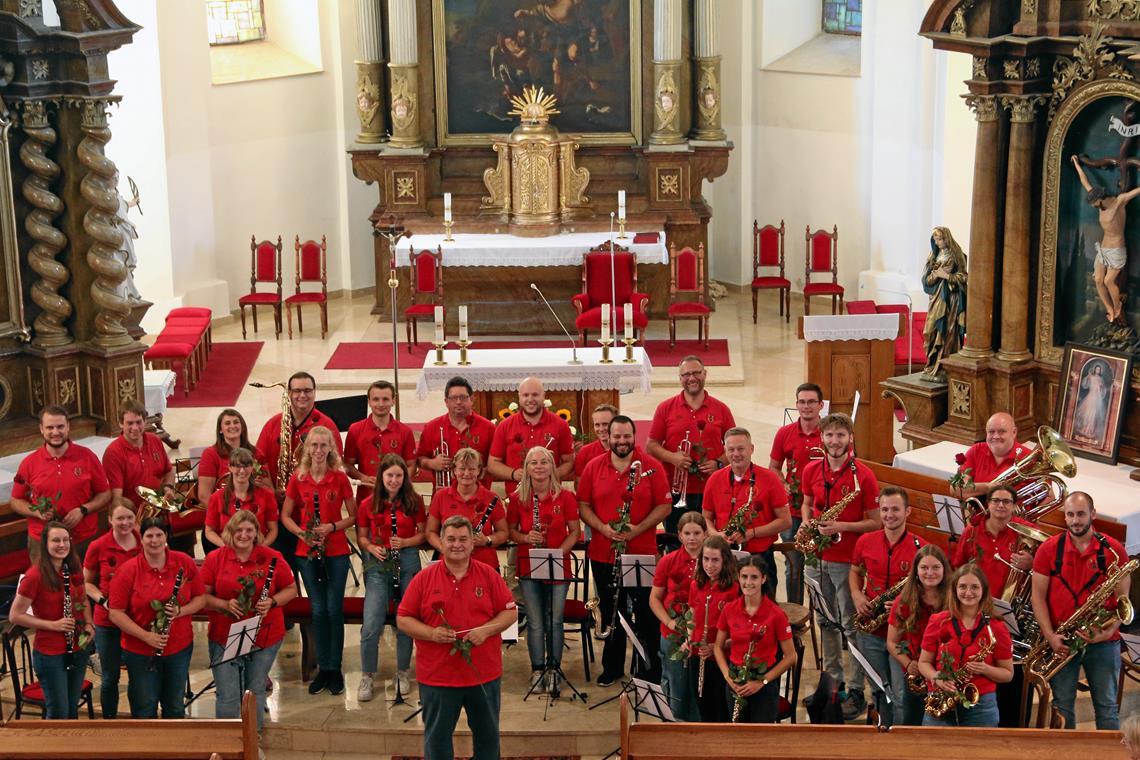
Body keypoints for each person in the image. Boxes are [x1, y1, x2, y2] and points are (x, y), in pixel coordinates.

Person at [397, 516, 518, 760]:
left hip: (483, 675)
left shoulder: (489, 575)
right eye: (450, 539)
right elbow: (403, 619)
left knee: (488, 741)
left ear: (473, 543)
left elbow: (510, 611)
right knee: (438, 742)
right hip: (438, 677)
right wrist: (431, 633)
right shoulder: (423, 579)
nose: (457, 545)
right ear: (440, 542)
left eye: (463, 539)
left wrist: (486, 630)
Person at [797, 412, 881, 720]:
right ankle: (832, 684)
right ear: (822, 438)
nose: (835, 441)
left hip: (847, 563)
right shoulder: (810, 469)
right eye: (830, 435)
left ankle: (856, 689)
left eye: (841, 435)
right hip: (815, 559)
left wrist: (841, 525)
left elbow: (876, 521)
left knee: (850, 626)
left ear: (850, 439)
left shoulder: (864, 476)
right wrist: (807, 522)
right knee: (825, 624)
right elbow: (806, 503)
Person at [578, 415, 671, 686]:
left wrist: (638, 528)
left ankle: (648, 669)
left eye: (626, 436)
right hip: (603, 553)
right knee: (610, 610)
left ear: (634, 436)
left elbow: (664, 506)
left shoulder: (651, 467)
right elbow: (583, 505)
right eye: (616, 436)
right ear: (608, 436)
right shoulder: (594, 467)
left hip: (641, 552)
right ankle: (613, 666)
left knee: (645, 612)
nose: (621, 441)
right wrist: (603, 529)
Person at [1031, 491, 1130, 730]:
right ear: (1064, 517)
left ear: (1092, 514)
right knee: (1062, 706)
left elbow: (1123, 602)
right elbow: (1038, 597)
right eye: (1071, 515)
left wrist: (1107, 633)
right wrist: (1050, 636)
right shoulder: (1048, 549)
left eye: (1081, 514)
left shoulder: (1113, 550)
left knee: (1106, 707)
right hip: (1063, 639)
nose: (1076, 520)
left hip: (1103, 641)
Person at [200, 510, 298, 732]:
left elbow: (291, 589)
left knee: (254, 691)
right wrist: (223, 604)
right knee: (227, 695)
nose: (244, 535)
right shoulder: (215, 558)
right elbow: (202, 596)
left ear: (256, 534)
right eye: (239, 530)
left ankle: (253, 742)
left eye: (249, 530)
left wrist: (272, 601)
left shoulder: (272, 557)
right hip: (224, 635)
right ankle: (227, 744)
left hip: (265, 634)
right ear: (230, 532)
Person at [279, 425, 357, 696]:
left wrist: (333, 527)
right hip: (307, 552)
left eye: (324, 446)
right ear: (307, 449)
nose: (319, 450)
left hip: (335, 551)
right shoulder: (298, 478)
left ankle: (335, 669)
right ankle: (322, 668)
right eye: (314, 445)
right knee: (318, 610)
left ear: (331, 449)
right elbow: (285, 516)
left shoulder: (339, 478)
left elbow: (354, 516)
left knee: (334, 610)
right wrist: (303, 533)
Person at [107, 516, 205, 719]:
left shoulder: (183, 562)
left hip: (178, 647)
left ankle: (173, 750)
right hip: (139, 650)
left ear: (166, 536)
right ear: (141, 539)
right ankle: (147, 750)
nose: (154, 540)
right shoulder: (128, 570)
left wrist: (180, 611)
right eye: (149, 535)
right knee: (144, 706)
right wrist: (146, 636)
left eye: (159, 535)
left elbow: (201, 598)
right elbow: (115, 613)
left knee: (175, 706)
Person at [849, 486, 925, 728]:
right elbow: (854, 571)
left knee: (901, 694)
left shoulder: (921, 548)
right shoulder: (865, 541)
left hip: (902, 634)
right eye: (884, 509)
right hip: (871, 630)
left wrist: (907, 603)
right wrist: (856, 596)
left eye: (895, 509)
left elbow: (933, 589)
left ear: (908, 511)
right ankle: (882, 733)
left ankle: (901, 742)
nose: (889, 514)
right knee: (880, 690)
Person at [507, 446, 580, 693]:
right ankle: (537, 668)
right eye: (533, 462)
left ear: (552, 467)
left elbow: (575, 532)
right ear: (526, 468)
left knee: (555, 620)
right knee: (536, 622)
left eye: (544, 462)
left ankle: (554, 669)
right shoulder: (518, 498)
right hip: (529, 566)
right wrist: (527, 538)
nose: (539, 467)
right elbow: (511, 532)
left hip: (558, 565)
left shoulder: (566, 497)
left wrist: (559, 553)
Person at [256, 371, 343, 576]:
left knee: (318, 574)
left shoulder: (326, 426)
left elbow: (335, 468)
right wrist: (271, 489)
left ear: (315, 393)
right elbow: (259, 464)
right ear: (289, 393)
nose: (302, 395)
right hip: (278, 511)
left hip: (313, 512)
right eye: (296, 391)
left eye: (307, 390)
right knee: (279, 569)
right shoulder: (273, 424)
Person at [355, 454, 425, 702]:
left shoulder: (414, 500)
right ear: (381, 477)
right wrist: (371, 548)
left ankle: (403, 672)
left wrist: (405, 541)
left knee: (405, 619)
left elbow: (424, 534)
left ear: (404, 477)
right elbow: (362, 537)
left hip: (406, 560)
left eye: (398, 475)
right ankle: (367, 674)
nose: (394, 480)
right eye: (389, 476)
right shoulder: (367, 504)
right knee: (371, 621)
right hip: (378, 562)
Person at [8, 522, 94, 718]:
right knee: (59, 712)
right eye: (56, 540)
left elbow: (82, 598)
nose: (62, 544)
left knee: (72, 709)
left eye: (65, 540)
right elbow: (15, 615)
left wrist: (89, 624)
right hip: (50, 653)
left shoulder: (72, 566)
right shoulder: (34, 576)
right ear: (45, 544)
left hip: (78, 648)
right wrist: (53, 625)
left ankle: (70, 748)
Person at [10, 405, 111, 560]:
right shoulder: (29, 463)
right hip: (43, 540)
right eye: (50, 427)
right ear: (41, 429)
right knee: (45, 584)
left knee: (84, 583)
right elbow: (16, 501)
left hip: (82, 537)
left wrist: (83, 510)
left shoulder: (87, 457)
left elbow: (105, 493)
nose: (55, 432)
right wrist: (36, 512)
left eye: (60, 426)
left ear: (68, 427)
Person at [918, 563, 1014, 727]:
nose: (968, 592)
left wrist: (986, 669)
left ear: (983, 590)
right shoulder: (938, 621)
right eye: (962, 586)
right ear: (954, 589)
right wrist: (937, 678)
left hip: (981, 705)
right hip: (940, 698)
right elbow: (923, 663)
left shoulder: (996, 626)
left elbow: (1008, 674)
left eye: (975, 587)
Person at [647, 356, 735, 534]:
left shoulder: (721, 409)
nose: (691, 378)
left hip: (712, 487)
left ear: (705, 374)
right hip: (675, 488)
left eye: (696, 373)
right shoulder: (665, 408)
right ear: (680, 379)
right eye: (686, 374)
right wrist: (672, 458)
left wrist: (718, 463)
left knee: (712, 538)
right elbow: (651, 445)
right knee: (675, 539)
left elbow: (734, 448)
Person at [702, 427, 791, 600]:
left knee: (764, 611)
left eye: (741, 448)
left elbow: (785, 521)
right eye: (731, 449)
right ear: (725, 451)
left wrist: (751, 533)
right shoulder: (715, 479)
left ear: (751, 449)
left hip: (760, 557)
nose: (736, 454)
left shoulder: (770, 479)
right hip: (725, 557)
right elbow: (706, 517)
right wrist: (716, 535)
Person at [713, 555, 796, 724]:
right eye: (744, 577)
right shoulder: (729, 609)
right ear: (738, 577)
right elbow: (717, 647)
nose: (748, 582)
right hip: (735, 680)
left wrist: (762, 681)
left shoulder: (777, 614)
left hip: (764, 684)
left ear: (764, 579)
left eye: (754, 577)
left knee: (761, 738)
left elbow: (791, 656)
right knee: (737, 733)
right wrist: (728, 678)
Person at [83, 499, 141, 718]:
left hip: (137, 619)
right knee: (110, 677)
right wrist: (102, 601)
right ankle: (109, 722)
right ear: (110, 520)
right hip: (107, 621)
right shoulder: (98, 546)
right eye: (119, 518)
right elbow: (86, 583)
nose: (125, 522)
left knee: (138, 675)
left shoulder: (144, 541)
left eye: (129, 517)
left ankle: (139, 721)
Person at [769, 382, 824, 605]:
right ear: (796, 405)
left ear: (821, 405)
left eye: (811, 402)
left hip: (821, 511)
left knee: (820, 570)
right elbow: (773, 467)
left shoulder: (830, 433)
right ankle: (796, 620)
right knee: (794, 568)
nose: (806, 406)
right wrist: (783, 485)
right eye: (802, 402)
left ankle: (822, 616)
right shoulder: (785, 433)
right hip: (792, 511)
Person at [649, 511, 706, 721]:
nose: (692, 538)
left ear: (705, 534)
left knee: (700, 687)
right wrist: (670, 622)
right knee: (676, 686)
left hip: (701, 634)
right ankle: (675, 727)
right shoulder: (668, 561)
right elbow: (654, 599)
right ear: (680, 536)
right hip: (673, 632)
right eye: (687, 533)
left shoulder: (710, 562)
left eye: (697, 533)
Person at [1070, 154, 1140, 322]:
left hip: (1116, 249)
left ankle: (1117, 307)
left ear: (1099, 199)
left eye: (1094, 204)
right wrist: (1077, 164)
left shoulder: (1119, 202)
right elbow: (1085, 182)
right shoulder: (1095, 197)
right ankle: (1109, 308)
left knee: (1109, 281)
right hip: (1103, 249)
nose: (1093, 207)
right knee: (1098, 279)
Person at [886, 544, 950, 726]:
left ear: (945, 570)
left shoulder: (955, 598)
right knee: (912, 722)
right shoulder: (904, 601)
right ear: (916, 571)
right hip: (917, 675)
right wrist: (908, 664)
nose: (930, 573)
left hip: (948, 674)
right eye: (924, 568)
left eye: (936, 567)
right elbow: (892, 642)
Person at [487, 376, 574, 496]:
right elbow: (493, 464)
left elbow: (569, 462)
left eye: (535, 395)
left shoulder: (560, 425)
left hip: (551, 496)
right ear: (519, 397)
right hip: (517, 498)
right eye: (525, 395)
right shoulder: (505, 426)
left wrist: (550, 475)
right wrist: (513, 474)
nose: (530, 399)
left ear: (544, 396)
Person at [427, 448, 509, 570]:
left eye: (471, 469)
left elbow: (504, 533)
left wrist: (487, 540)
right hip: (450, 564)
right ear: (454, 470)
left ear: (479, 470)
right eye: (462, 469)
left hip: (484, 565)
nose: (466, 473)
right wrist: (443, 547)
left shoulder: (492, 498)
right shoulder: (440, 496)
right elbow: (430, 532)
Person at [686, 535, 739, 722]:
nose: (709, 565)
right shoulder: (696, 585)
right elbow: (691, 617)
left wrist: (717, 647)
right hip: (697, 654)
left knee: (720, 709)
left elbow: (738, 632)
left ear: (725, 560)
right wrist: (688, 638)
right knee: (702, 704)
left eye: (715, 560)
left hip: (720, 658)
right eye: (706, 559)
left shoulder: (733, 589)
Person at [416, 376, 496, 489]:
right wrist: (431, 463)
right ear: (446, 401)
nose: (458, 402)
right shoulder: (431, 427)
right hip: (443, 496)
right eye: (453, 398)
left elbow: (498, 462)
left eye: (463, 397)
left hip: (479, 496)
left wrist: (481, 471)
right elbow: (420, 459)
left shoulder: (489, 428)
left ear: (472, 399)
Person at [344, 380, 416, 502]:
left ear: (393, 401)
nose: (381, 404)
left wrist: (396, 483)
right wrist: (363, 477)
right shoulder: (355, 430)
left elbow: (411, 465)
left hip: (397, 497)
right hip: (367, 497)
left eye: (386, 399)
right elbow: (347, 464)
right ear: (369, 402)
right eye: (376, 399)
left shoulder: (405, 431)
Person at [102, 400, 176, 513]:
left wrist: (169, 487)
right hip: (133, 516)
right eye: (130, 423)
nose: (135, 428)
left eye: (138, 422)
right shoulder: (113, 453)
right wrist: (136, 511)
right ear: (121, 424)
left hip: (160, 510)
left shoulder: (155, 440)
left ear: (145, 421)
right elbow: (116, 499)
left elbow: (169, 470)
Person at [203, 448, 279, 553]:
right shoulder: (216, 497)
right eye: (238, 466)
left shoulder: (267, 495)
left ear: (252, 467)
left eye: (246, 466)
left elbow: (273, 529)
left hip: (257, 552)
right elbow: (209, 531)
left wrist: (261, 548)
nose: (242, 471)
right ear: (230, 467)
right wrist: (227, 547)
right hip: (228, 553)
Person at [921, 226, 968, 378]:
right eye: (935, 239)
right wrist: (937, 275)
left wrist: (948, 277)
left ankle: (943, 366)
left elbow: (964, 277)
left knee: (947, 332)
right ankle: (931, 364)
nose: (938, 242)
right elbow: (927, 280)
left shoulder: (956, 254)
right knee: (929, 331)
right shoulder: (934, 255)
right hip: (936, 298)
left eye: (940, 239)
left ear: (946, 238)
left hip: (950, 300)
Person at [197, 408, 269, 506]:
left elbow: (269, 489)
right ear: (220, 430)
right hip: (225, 512)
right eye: (227, 423)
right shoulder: (210, 454)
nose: (232, 426)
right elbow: (204, 496)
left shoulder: (256, 453)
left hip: (254, 511)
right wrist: (226, 514)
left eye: (236, 422)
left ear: (242, 427)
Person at [955, 412, 1028, 498]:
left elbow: (1047, 495)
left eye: (1002, 431)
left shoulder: (1028, 457)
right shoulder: (976, 451)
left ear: (1014, 432)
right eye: (991, 432)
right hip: (979, 511)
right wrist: (988, 487)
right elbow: (956, 489)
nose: (996, 436)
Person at [573, 403, 618, 479]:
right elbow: (579, 485)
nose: (601, 429)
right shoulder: (584, 452)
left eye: (605, 424)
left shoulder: (627, 451)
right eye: (597, 425)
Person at [1073, 363, 1111, 444]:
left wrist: (1101, 387)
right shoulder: (1091, 377)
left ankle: (1090, 431)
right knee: (1086, 413)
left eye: (1099, 369)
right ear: (1095, 369)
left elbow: (1103, 391)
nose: (1098, 370)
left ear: (1100, 371)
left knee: (1094, 415)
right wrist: (1088, 377)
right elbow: (1085, 385)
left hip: (1097, 399)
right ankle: (1084, 429)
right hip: (1090, 396)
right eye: (1097, 369)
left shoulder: (1101, 379)